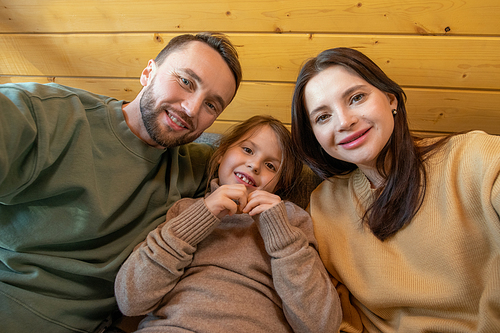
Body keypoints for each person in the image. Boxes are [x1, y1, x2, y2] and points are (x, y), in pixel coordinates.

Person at [0, 32, 242, 333]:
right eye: (186, 82)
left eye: (211, 105)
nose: (191, 109)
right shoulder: (46, 113)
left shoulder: (199, 168)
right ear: (148, 72)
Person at [291, 47, 500, 332]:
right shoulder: (323, 208)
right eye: (323, 117)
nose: (344, 121)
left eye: (356, 98)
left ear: (391, 99)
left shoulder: (473, 158)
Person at [114, 115, 342, 333]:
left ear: (280, 185)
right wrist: (200, 217)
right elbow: (130, 300)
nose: (254, 165)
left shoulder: (292, 220)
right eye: (247, 150)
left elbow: (322, 326)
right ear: (222, 152)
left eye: (271, 166)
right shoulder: (183, 210)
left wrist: (281, 235)